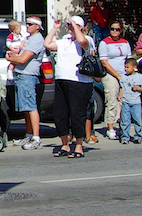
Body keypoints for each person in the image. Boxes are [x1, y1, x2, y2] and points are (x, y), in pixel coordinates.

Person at [45, 16, 97, 158]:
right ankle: (65, 144)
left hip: (79, 82)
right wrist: (55, 28)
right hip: (62, 80)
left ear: (80, 27)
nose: (70, 27)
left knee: (77, 114)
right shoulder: (64, 41)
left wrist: (75, 25)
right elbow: (47, 44)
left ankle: (79, 145)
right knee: (60, 114)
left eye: (72, 25)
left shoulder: (87, 39)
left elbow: (82, 42)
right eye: (68, 25)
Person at [6, 17, 46, 150]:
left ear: (37, 26)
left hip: (28, 76)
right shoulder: (28, 39)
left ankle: (36, 138)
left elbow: (23, 59)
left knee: (31, 107)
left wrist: (10, 58)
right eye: (27, 24)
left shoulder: (37, 39)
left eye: (30, 24)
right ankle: (29, 135)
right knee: (26, 108)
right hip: (21, 75)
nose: (27, 26)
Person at [98, 21, 131, 140]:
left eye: (117, 29)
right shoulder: (104, 43)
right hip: (110, 75)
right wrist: (117, 75)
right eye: (112, 29)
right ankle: (110, 128)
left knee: (123, 100)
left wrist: (129, 73)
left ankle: (122, 125)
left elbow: (129, 59)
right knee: (111, 99)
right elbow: (104, 62)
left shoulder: (125, 43)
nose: (115, 31)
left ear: (121, 30)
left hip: (124, 74)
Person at [118, 57, 142, 144]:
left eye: (128, 67)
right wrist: (120, 95)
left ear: (134, 67)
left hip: (136, 102)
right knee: (125, 120)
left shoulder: (140, 77)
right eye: (125, 67)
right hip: (126, 101)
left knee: (137, 120)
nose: (126, 69)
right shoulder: (124, 77)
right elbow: (122, 87)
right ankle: (125, 136)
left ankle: (138, 136)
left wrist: (138, 88)